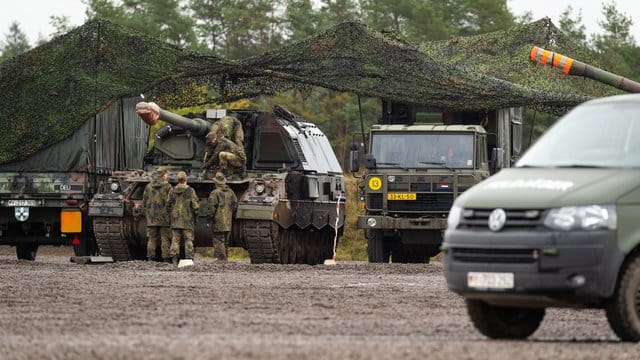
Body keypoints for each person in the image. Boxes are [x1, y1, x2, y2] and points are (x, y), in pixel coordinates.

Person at [167, 171, 200, 265]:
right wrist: (196, 216)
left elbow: (168, 205)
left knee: (175, 240)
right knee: (188, 240)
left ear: (178, 179)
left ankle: (174, 260)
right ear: (186, 179)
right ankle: (189, 259)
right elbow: (195, 206)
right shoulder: (190, 191)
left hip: (175, 220)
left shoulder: (172, 190)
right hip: (187, 220)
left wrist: (171, 215)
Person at [142, 166, 172, 262]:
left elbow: (144, 202)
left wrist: (148, 213)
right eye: (167, 173)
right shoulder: (168, 186)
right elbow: (171, 202)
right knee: (165, 239)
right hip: (164, 218)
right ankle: (166, 259)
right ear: (164, 175)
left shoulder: (148, 186)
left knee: (151, 239)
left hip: (151, 218)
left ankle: (150, 258)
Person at [207, 172, 237, 261]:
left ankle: (221, 260)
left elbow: (211, 208)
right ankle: (225, 259)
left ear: (216, 182)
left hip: (218, 222)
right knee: (225, 243)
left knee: (218, 241)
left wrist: (209, 220)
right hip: (228, 222)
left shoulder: (215, 193)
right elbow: (235, 205)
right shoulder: (230, 192)